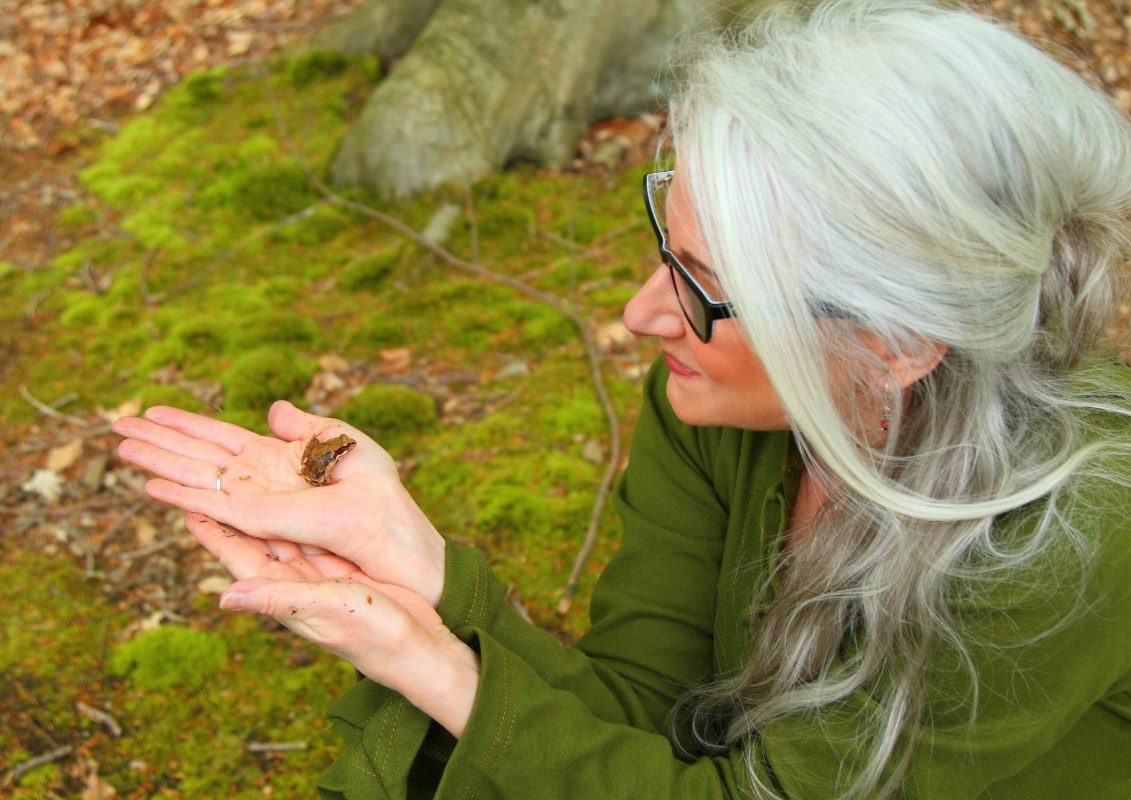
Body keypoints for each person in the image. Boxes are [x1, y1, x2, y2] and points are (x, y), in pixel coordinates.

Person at [113, 0, 1131, 797]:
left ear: (896, 342)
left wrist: (442, 675)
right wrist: (420, 575)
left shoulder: (1075, 537)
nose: (643, 316)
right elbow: (646, 717)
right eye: (666, 247)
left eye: (702, 285)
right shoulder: (718, 407)